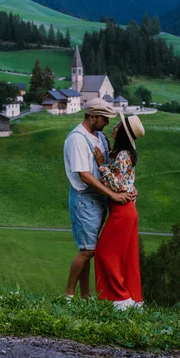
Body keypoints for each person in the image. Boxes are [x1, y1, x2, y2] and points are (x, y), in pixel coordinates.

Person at [64, 99, 132, 299]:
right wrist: (112, 194)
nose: (108, 123)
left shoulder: (99, 136)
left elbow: (108, 166)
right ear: (93, 117)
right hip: (84, 200)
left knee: (89, 250)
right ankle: (68, 295)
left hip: (98, 199)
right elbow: (84, 175)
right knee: (86, 251)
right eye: (104, 119)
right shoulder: (77, 139)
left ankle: (85, 295)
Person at [94, 113, 145, 310]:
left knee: (106, 254)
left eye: (117, 126)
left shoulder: (123, 155)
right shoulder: (125, 152)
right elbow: (129, 182)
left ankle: (119, 299)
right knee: (127, 258)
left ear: (123, 132)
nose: (113, 128)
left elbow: (117, 185)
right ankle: (131, 299)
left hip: (122, 210)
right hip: (126, 210)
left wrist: (100, 165)